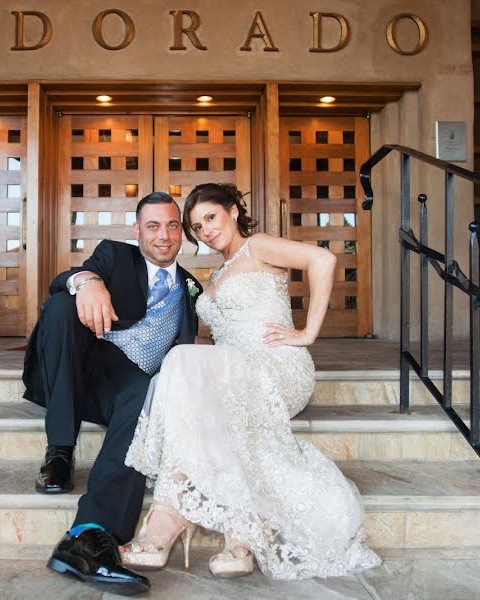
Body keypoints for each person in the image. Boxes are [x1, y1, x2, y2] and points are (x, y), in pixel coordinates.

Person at [121, 183, 381, 580]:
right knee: (187, 371)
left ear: (232, 211)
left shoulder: (257, 246)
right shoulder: (216, 273)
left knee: (189, 369)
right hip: (234, 370)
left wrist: (308, 332)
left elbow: (323, 260)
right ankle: (225, 528)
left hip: (277, 365)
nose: (206, 230)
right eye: (196, 227)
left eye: (211, 217)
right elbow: (216, 335)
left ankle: (173, 517)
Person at [22, 191, 202, 595]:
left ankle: (90, 538)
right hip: (81, 369)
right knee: (61, 307)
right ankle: (59, 451)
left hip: (128, 387)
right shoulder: (116, 256)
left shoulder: (192, 288)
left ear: (183, 233)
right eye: (153, 226)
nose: (163, 236)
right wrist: (85, 282)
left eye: (173, 226)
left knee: (147, 392)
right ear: (138, 230)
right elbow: (65, 280)